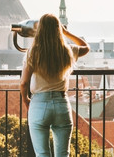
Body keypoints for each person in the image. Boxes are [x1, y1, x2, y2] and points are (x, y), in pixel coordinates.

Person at [20, 13, 90, 157]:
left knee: (42, 154)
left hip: (39, 103)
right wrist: (66, 32)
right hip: (61, 103)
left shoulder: (33, 53)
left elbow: (24, 83)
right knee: (63, 154)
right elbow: (85, 47)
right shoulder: (67, 51)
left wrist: (26, 99)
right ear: (58, 30)